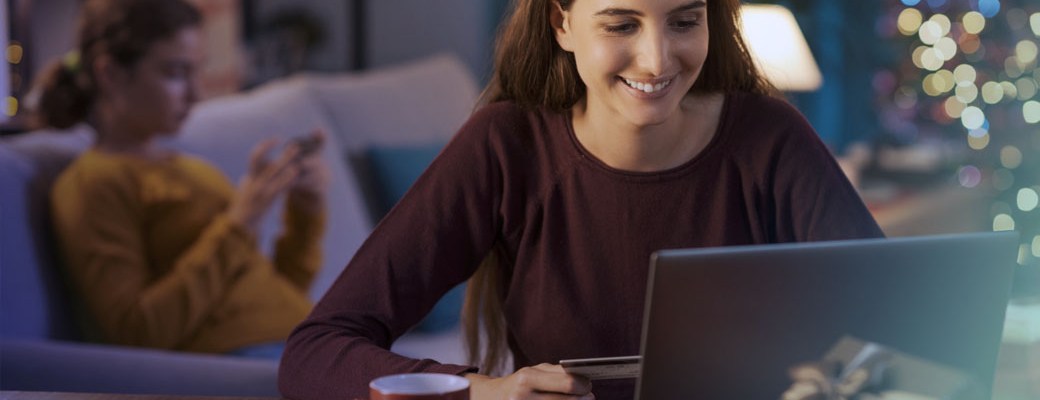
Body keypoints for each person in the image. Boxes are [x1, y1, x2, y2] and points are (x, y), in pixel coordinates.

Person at [278, 0, 883, 398]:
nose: (657, 59)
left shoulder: (769, 135)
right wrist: (482, 391)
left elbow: (895, 323)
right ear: (562, 23)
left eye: (684, 20)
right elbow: (314, 353)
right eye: (621, 24)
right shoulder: (505, 144)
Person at [35, 0, 328, 359]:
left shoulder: (194, 169)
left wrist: (304, 214)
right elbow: (138, 333)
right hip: (241, 362)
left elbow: (277, 293)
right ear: (110, 74)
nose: (196, 94)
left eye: (196, 72)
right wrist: (239, 222)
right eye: (175, 73)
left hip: (302, 338)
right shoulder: (91, 184)